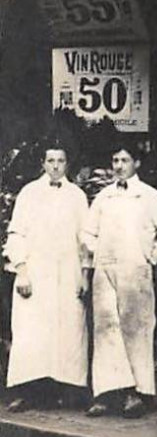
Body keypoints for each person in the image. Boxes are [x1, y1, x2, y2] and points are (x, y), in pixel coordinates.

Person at [82, 142, 157, 418]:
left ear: (136, 164)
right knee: (106, 329)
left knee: (135, 329)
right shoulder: (103, 197)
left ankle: (134, 394)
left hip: (135, 271)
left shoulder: (148, 196)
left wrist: (152, 255)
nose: (118, 166)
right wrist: (97, 249)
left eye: (124, 160)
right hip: (105, 270)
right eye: (115, 160)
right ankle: (106, 394)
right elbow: (87, 233)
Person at [2, 144, 90, 411]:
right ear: (42, 163)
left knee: (68, 331)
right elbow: (17, 234)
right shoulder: (29, 193)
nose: (55, 166)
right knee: (32, 333)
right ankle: (27, 392)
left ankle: (66, 392)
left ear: (67, 165)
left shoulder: (77, 196)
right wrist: (22, 270)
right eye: (50, 160)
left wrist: (84, 274)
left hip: (67, 274)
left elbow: (85, 239)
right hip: (35, 274)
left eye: (60, 161)